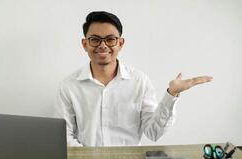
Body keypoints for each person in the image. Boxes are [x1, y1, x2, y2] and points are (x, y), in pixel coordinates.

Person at [54, 11, 212, 147]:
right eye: (95, 39)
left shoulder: (139, 81)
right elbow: (64, 137)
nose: (103, 45)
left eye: (110, 39)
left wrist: (171, 94)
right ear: (85, 44)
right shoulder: (69, 85)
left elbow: (153, 132)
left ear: (120, 43)